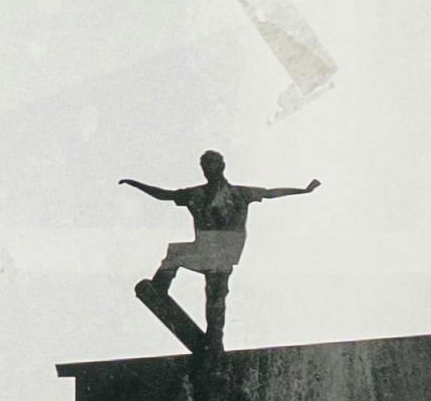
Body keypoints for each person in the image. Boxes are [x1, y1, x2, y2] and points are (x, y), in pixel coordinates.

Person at [123, 149, 313, 358]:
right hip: (205, 249)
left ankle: (214, 340)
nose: (207, 171)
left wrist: (303, 190)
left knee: (215, 298)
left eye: (211, 166)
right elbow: (165, 195)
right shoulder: (196, 194)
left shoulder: (239, 193)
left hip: (223, 254)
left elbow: (269, 192)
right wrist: (136, 184)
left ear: (221, 167)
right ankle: (161, 286)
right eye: (204, 167)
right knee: (176, 254)